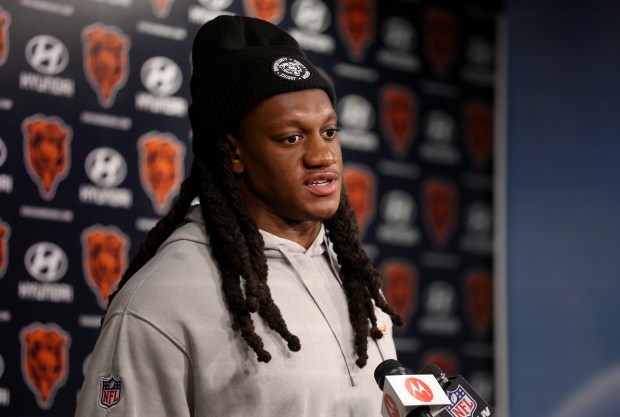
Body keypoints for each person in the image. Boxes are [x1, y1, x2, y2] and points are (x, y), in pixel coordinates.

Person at [75, 14, 402, 417]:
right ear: (234, 153)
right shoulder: (161, 300)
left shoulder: (353, 278)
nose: (322, 156)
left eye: (330, 132)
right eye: (292, 138)